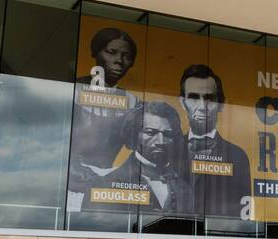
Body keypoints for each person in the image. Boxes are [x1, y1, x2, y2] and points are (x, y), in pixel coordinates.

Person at [69, 101, 193, 215]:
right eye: (150, 133)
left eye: (168, 134)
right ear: (134, 135)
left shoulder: (185, 189)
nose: (160, 141)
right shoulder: (103, 185)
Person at [178, 64, 252, 219]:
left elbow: (243, 214)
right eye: (193, 97)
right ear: (182, 103)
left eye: (209, 99)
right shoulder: (170, 149)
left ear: (221, 105)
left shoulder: (238, 157)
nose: (202, 106)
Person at [70, 27, 140, 171]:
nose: (119, 61)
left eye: (127, 56)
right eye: (111, 52)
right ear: (96, 52)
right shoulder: (74, 89)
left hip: (106, 177)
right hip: (71, 174)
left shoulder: (132, 101)